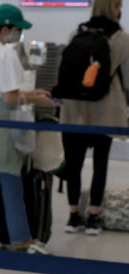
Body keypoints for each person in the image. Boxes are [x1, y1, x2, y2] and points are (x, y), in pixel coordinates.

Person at [0, 4, 58, 254]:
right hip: (1, 127)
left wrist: (30, 93)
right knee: (11, 184)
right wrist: (37, 99)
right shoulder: (6, 54)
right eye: (17, 29)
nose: (19, 34)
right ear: (5, 28)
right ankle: (21, 240)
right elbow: (8, 98)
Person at [60, 0, 129, 236]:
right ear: (115, 8)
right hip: (105, 109)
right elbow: (128, 80)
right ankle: (93, 218)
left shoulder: (75, 33)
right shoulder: (122, 38)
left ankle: (72, 217)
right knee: (100, 163)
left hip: (73, 109)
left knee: (74, 164)